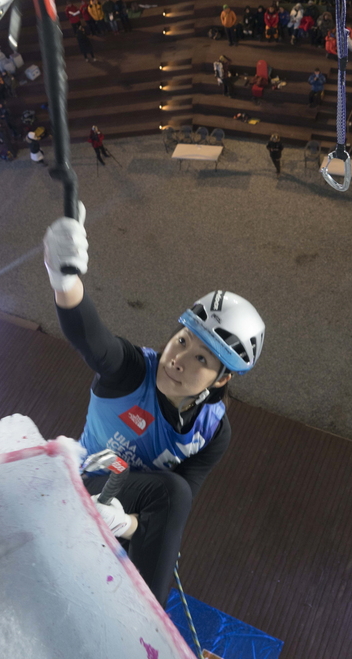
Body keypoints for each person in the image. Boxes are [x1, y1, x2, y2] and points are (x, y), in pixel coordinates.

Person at [43, 214, 265, 605]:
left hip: (129, 512)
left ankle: (142, 633)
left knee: (173, 495)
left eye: (201, 359)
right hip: (89, 481)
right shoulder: (131, 372)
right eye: (181, 341)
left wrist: (126, 526)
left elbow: (177, 503)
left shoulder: (214, 432)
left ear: (221, 379)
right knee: (171, 493)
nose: (178, 359)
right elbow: (92, 338)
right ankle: (151, 631)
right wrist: (65, 281)